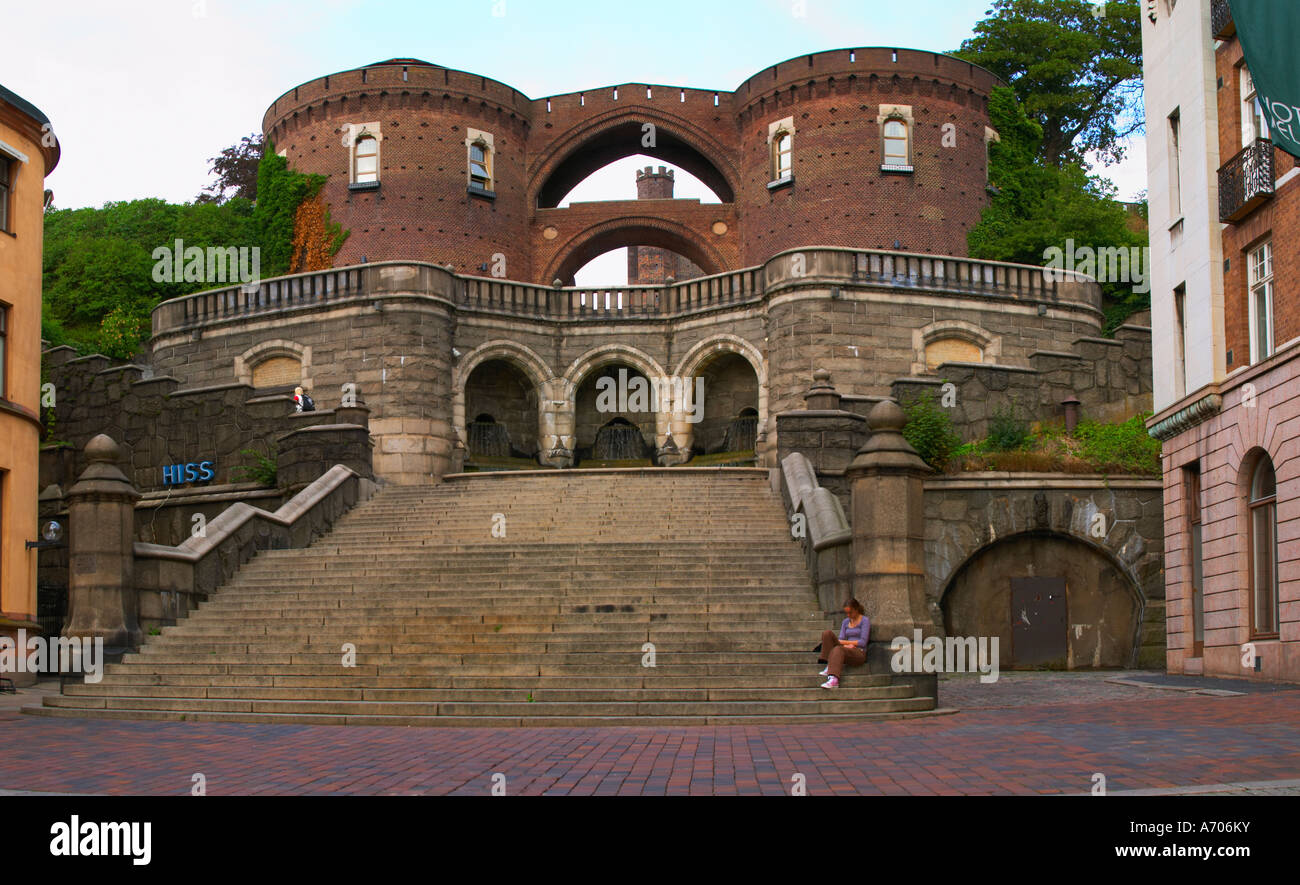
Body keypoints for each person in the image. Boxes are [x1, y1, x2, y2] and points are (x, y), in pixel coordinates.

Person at [817, 598, 869, 689]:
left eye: (850, 612)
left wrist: (847, 644)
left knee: (838, 649)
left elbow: (863, 642)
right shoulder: (845, 622)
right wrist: (846, 645)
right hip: (847, 648)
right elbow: (841, 638)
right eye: (847, 613)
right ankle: (828, 664)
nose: (848, 615)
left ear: (856, 609)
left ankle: (834, 679)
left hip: (858, 652)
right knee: (827, 634)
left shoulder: (865, 621)